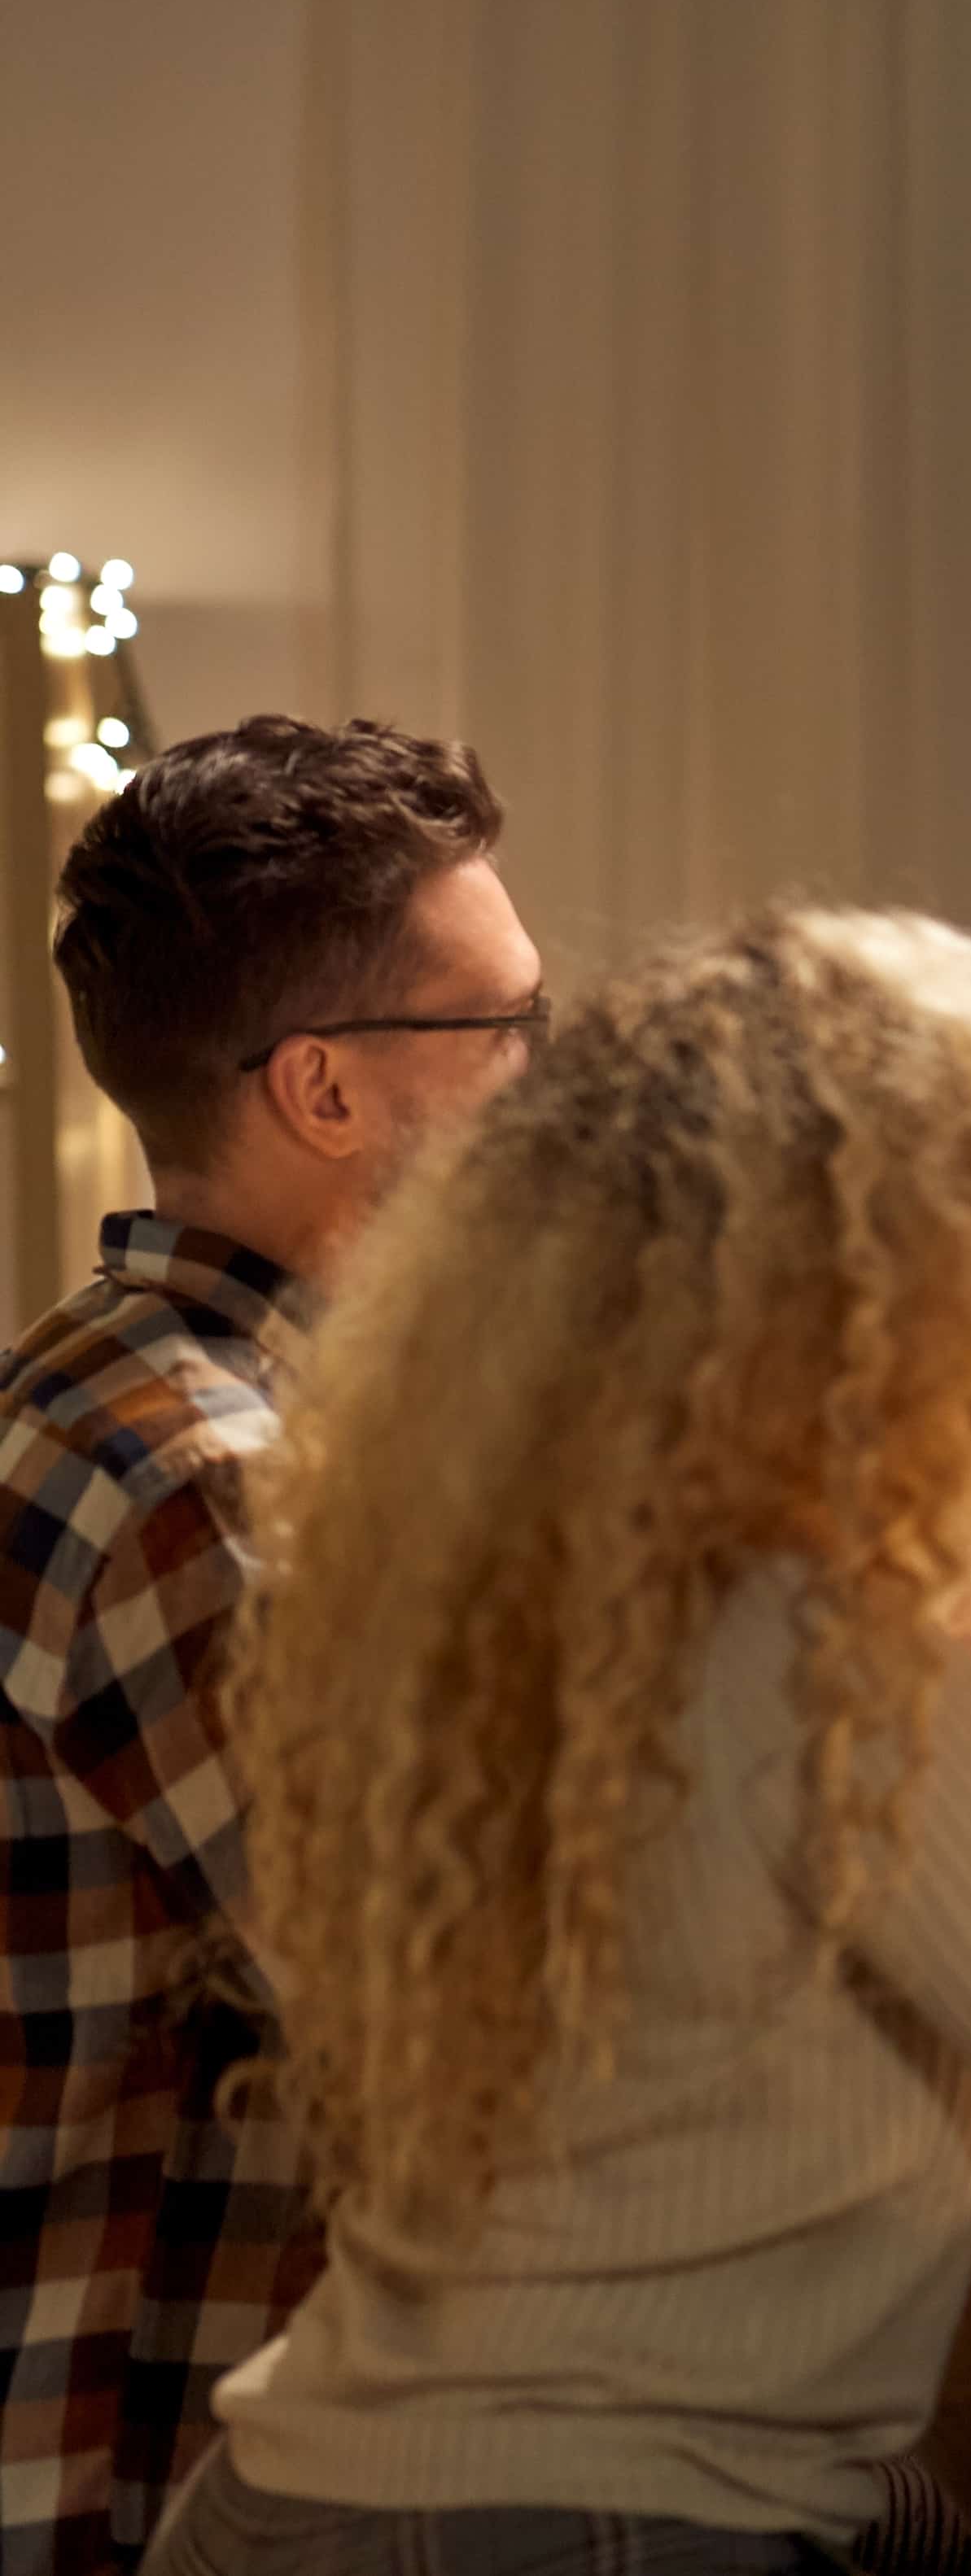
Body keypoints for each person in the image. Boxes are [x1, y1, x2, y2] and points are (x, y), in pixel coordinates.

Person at [168, 908, 971, 2576]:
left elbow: (849, 1968)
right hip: (583, 2533)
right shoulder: (815, 1645)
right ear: (898, 1285)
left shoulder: (537, 1606)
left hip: (299, 2500)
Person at [2, 719, 541, 2576]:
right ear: (323, 1088)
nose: (547, 1091)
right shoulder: (219, 1483)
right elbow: (501, 2039)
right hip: (172, 2469)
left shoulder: (123, 1380)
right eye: (509, 1032)